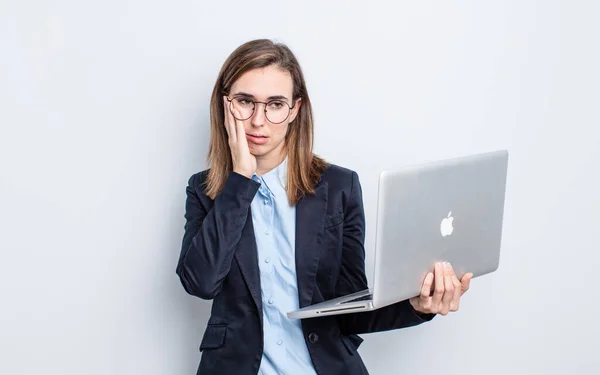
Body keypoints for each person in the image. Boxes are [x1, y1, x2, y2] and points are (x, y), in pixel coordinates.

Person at [176, 39, 473, 375]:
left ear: (295, 110)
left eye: (275, 104)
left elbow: (349, 307)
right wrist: (241, 180)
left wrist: (418, 306)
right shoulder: (204, 191)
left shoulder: (338, 188)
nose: (258, 120)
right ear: (225, 104)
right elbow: (200, 283)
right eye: (245, 102)